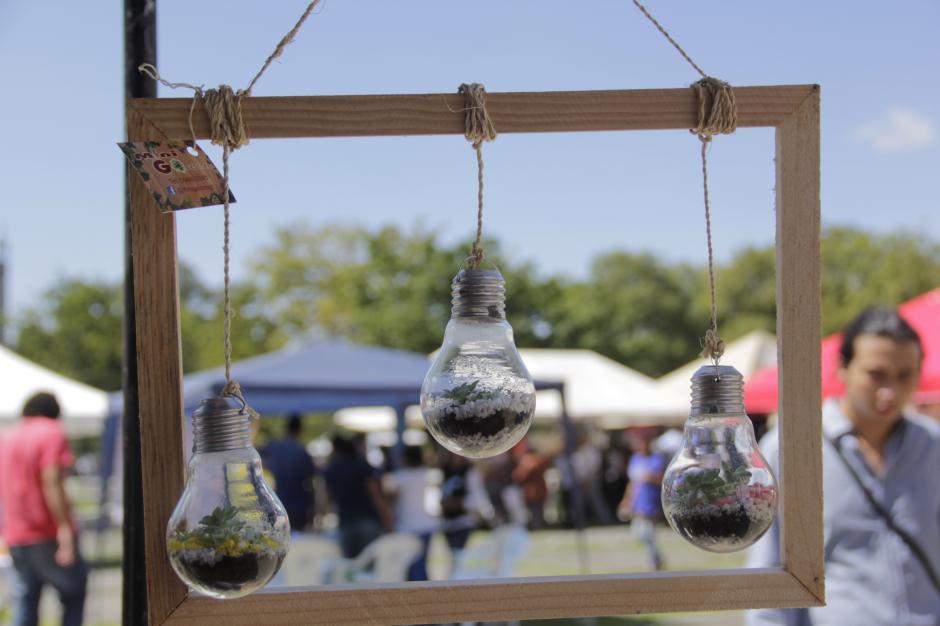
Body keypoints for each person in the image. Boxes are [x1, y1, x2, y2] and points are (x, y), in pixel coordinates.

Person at [747, 307, 940, 625]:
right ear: (843, 368)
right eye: (876, 374)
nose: (889, 392)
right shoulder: (791, 448)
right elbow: (767, 571)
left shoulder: (933, 445)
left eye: (904, 375)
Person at [0, 392, 87, 626]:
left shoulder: (7, 437)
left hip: (16, 534)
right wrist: (65, 528)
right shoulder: (52, 432)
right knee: (73, 593)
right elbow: (52, 480)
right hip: (46, 531)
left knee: (25, 604)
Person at [323, 434, 393, 558]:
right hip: (368, 520)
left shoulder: (332, 469)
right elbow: (375, 494)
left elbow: (326, 498)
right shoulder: (361, 465)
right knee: (369, 564)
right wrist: (386, 518)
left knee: (349, 566)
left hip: (346, 522)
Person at [383, 445, 437, 580]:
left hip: (407, 526)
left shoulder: (399, 478)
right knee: (421, 566)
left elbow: (389, 499)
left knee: (411, 568)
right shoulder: (425, 474)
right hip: (426, 524)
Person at [618, 428, 666, 571]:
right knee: (639, 533)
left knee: (647, 532)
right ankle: (657, 557)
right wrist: (626, 500)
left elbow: (661, 477)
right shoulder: (635, 459)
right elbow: (632, 482)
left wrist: (649, 477)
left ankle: (653, 561)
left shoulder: (656, 458)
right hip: (638, 500)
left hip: (650, 500)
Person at [260, 414, 316, 533]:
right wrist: (314, 511)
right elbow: (311, 483)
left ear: (286, 428)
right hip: (300, 505)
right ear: (300, 430)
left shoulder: (275, 448)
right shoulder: (303, 452)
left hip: (278, 502)